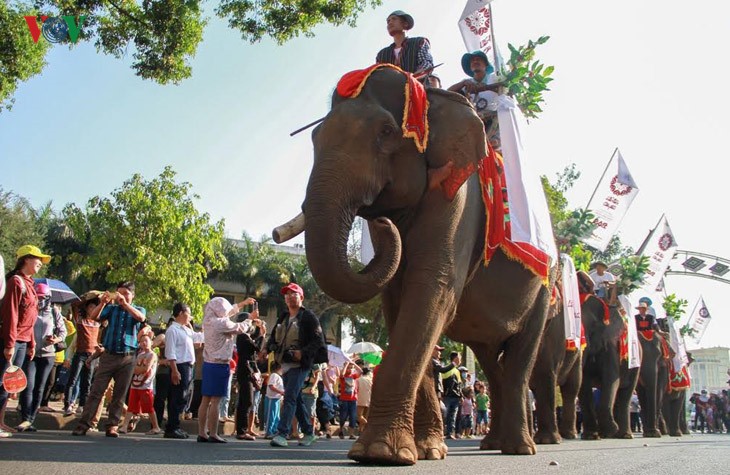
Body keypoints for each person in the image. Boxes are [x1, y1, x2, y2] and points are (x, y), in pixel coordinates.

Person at [72, 281, 146, 438]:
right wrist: (103, 303)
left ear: (133, 295)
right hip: (109, 355)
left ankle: (112, 425)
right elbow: (93, 317)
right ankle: (83, 424)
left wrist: (125, 304)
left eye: (126, 293)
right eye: (119, 293)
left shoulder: (137, 309)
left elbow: (140, 318)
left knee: (119, 395)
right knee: (96, 391)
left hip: (127, 357)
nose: (122, 296)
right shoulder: (111, 309)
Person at [264, 282, 328, 448]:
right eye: (287, 294)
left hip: (300, 365)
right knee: (296, 398)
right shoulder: (284, 316)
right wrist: (265, 349)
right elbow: (273, 337)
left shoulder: (308, 317)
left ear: (301, 297)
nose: (290, 297)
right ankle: (308, 432)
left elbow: (318, 341)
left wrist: (303, 352)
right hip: (284, 363)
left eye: (294, 294)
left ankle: (282, 433)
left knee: (290, 396)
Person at [0, 245, 50, 437]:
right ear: (25, 260)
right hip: (11, 341)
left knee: (9, 384)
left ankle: (2, 422)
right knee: (2, 383)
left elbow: (30, 317)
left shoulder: (29, 283)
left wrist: (31, 342)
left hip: (22, 341)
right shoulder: (15, 282)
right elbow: (11, 315)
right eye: (37, 258)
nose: (40, 262)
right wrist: (10, 344)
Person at [197, 297, 255, 443]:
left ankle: (201, 432)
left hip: (208, 363)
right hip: (220, 364)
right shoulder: (221, 323)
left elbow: (227, 313)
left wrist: (242, 304)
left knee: (205, 400)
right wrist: (250, 319)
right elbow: (240, 328)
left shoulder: (209, 320)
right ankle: (214, 433)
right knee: (216, 401)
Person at [16, 282, 66, 431]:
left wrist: (55, 339)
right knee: (28, 386)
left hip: (47, 354)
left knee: (39, 388)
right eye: (38, 297)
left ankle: (30, 420)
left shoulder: (54, 312)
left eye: (43, 297)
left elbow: (63, 332)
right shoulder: (29, 309)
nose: (40, 300)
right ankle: (25, 418)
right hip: (30, 353)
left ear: (49, 298)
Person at [161, 303, 203, 439]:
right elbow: (170, 352)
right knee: (176, 397)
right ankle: (171, 427)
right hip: (179, 366)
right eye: (188, 313)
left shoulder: (185, 329)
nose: (190, 316)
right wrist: (174, 370)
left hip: (188, 366)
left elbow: (198, 338)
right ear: (180, 313)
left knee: (183, 397)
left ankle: (176, 425)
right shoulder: (173, 330)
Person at [63, 292, 102, 416]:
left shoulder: (98, 323)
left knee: (87, 381)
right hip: (80, 353)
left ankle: (82, 405)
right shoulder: (80, 320)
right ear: (86, 308)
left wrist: (102, 298)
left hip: (92, 355)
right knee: (73, 379)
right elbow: (75, 304)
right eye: (90, 307)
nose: (92, 310)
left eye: (94, 308)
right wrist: (89, 296)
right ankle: (68, 404)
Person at [119, 334, 160, 435]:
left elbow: (145, 369)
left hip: (146, 385)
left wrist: (136, 370)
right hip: (135, 384)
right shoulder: (139, 355)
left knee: (149, 407)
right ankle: (124, 426)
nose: (144, 343)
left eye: (146, 341)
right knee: (131, 406)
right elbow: (134, 368)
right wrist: (136, 370)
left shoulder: (152, 355)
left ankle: (156, 427)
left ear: (151, 342)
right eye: (142, 342)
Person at [234, 311, 266, 440]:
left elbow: (256, 344)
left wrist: (261, 331)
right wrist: (263, 334)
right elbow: (257, 347)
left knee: (245, 401)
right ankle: (242, 431)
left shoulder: (245, 337)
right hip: (245, 369)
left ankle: (242, 430)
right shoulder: (243, 336)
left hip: (247, 369)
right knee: (247, 400)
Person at [376, 10, 433, 75]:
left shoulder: (419, 42)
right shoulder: (382, 54)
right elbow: (377, 75)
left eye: (394, 19)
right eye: (388, 21)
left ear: (405, 24)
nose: (390, 22)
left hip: (417, 83)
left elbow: (426, 64)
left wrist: (413, 77)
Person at [338, 360, 362, 439]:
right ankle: (341, 430)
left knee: (353, 417)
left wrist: (353, 363)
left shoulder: (353, 376)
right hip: (344, 399)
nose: (350, 369)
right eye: (348, 368)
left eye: (351, 368)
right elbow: (341, 374)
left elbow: (360, 371)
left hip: (353, 399)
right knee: (343, 416)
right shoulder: (343, 377)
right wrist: (346, 364)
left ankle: (351, 434)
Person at [441, 351, 462, 439]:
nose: (460, 360)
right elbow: (442, 381)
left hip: (456, 397)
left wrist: (461, 396)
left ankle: (450, 433)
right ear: (455, 359)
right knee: (444, 414)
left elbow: (459, 384)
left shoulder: (457, 371)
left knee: (453, 415)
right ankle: (442, 432)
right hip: (447, 396)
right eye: (459, 358)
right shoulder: (447, 369)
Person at [264, 361, 284, 438]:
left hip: (277, 399)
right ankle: (268, 432)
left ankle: (274, 430)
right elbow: (271, 386)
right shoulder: (274, 375)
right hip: (271, 398)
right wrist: (281, 392)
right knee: (271, 416)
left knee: (276, 416)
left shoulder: (278, 376)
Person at [356, 365, 373, 434]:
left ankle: (368, 425)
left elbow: (356, 389)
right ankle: (361, 430)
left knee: (359, 416)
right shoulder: (370, 380)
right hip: (368, 399)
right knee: (365, 415)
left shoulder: (358, 380)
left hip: (360, 399)